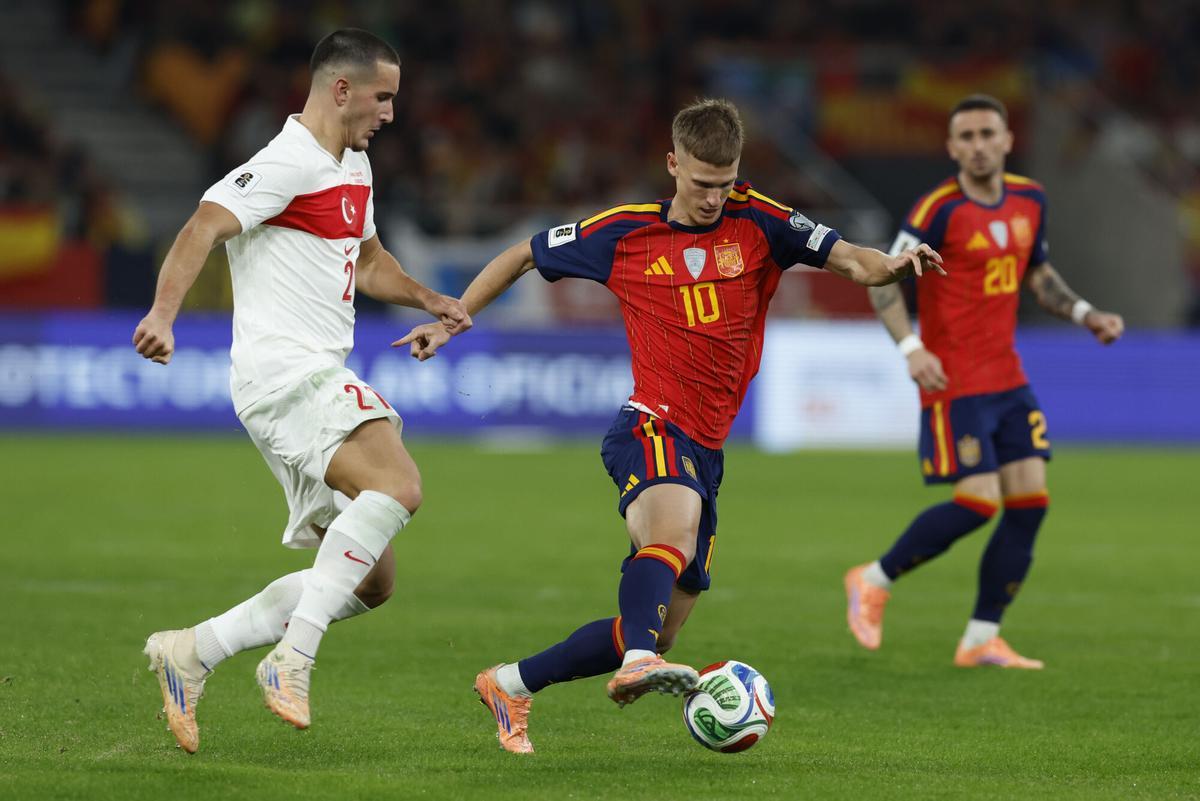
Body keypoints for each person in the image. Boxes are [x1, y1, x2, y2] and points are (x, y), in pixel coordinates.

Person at [398, 98, 944, 753]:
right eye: (702, 182)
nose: (714, 197)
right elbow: (522, 255)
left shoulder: (762, 219)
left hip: (708, 449)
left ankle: (511, 683)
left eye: (725, 183)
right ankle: (637, 664)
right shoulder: (623, 232)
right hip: (651, 425)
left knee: (658, 628)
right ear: (673, 165)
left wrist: (889, 265)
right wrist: (453, 318)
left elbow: (852, 259)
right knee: (670, 542)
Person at [133, 29, 471, 753]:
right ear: (341, 89)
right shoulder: (285, 162)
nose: (390, 113)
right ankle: (292, 660)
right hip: (287, 371)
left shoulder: (354, 165)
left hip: (304, 378)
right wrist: (162, 314)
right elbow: (202, 227)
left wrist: (429, 298)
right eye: (383, 97)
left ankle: (192, 651)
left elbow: (369, 261)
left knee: (369, 581)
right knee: (399, 483)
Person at [844, 94, 1124, 669]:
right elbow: (884, 281)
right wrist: (912, 349)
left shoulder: (1030, 199)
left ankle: (980, 638)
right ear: (952, 147)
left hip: (1007, 376)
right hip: (953, 377)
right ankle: (872, 580)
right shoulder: (937, 210)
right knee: (978, 502)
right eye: (966, 137)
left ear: (1007, 139)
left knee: (1030, 503)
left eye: (987, 134)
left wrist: (1085, 314)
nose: (978, 145)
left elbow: (1037, 273)